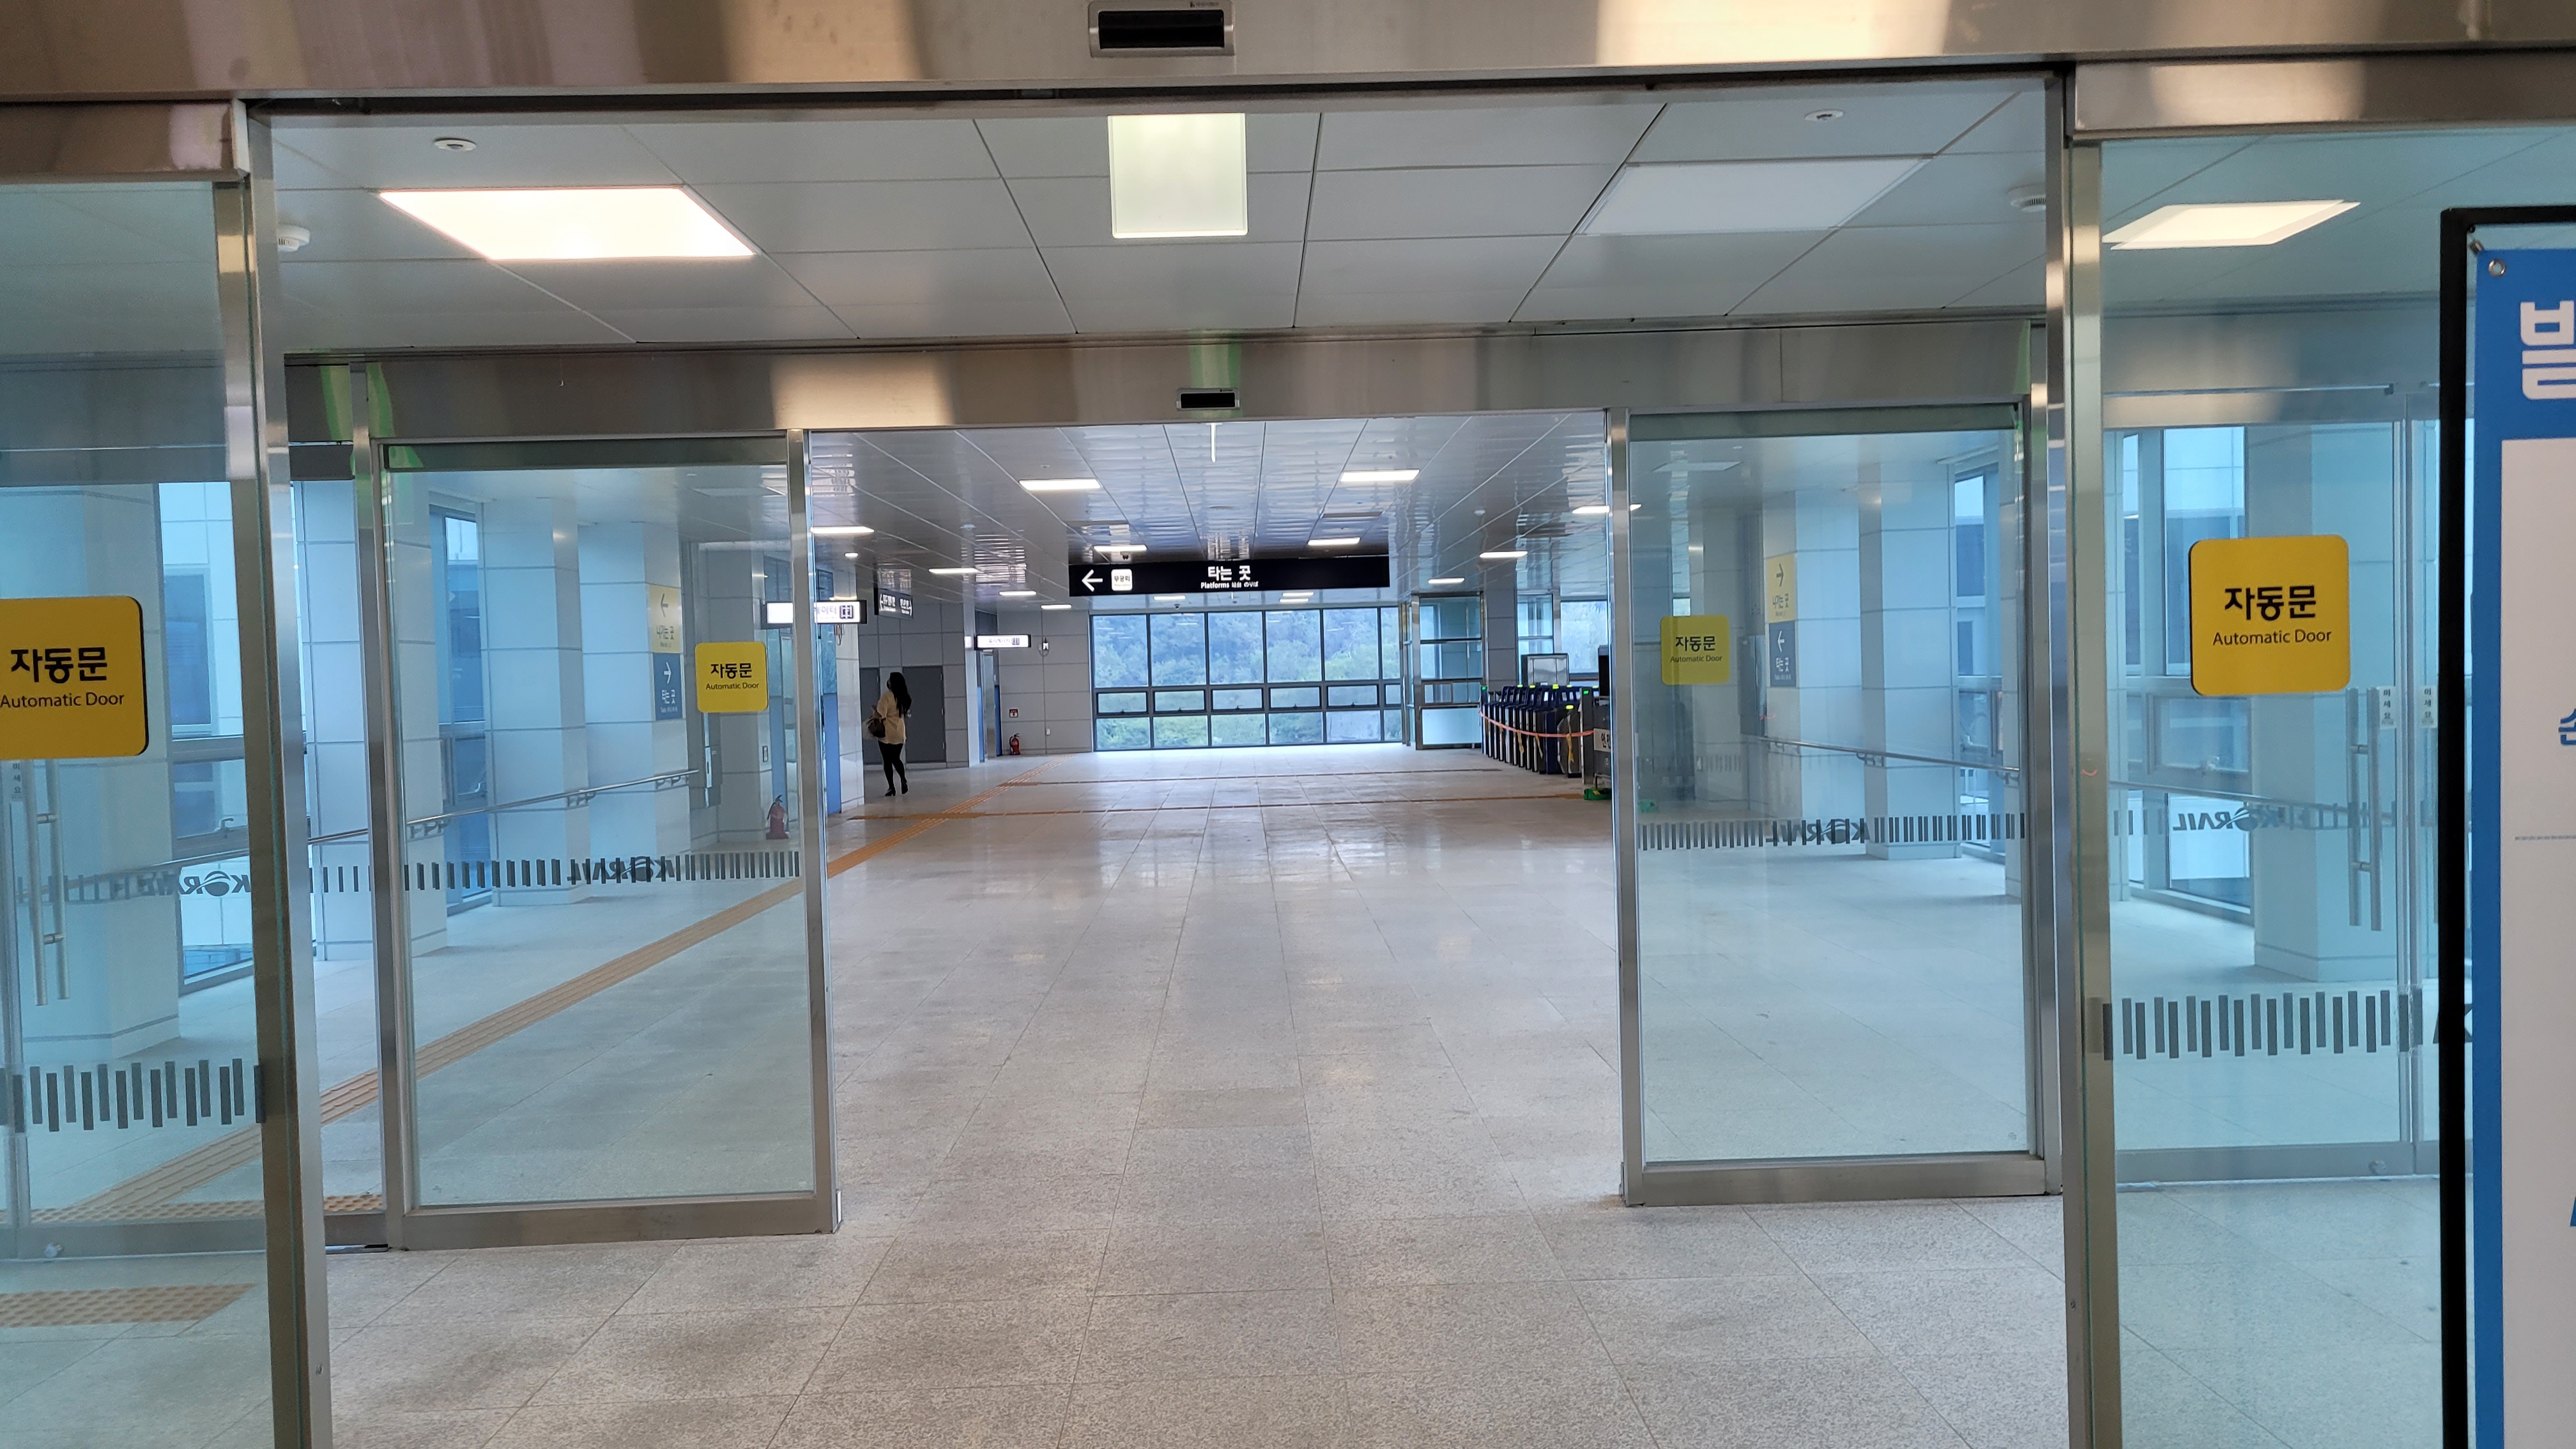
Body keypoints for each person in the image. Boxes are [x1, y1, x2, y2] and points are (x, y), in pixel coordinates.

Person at [871, 671, 910, 796]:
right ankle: (903, 779)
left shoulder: (886, 697)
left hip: (887, 733)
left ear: (892, 683)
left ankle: (891, 787)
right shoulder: (905, 697)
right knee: (896, 758)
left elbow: (881, 715)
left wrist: (874, 711)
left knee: (887, 761)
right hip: (900, 731)